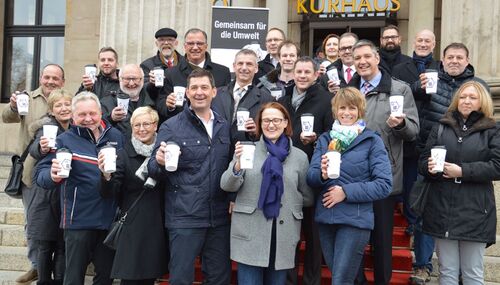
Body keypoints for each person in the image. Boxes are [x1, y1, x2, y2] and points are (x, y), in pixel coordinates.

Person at [148, 69, 232, 285]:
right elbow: (153, 170)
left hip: (218, 217)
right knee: (181, 278)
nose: (199, 92)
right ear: (186, 93)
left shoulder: (224, 126)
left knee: (218, 278)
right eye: (194, 88)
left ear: (214, 92)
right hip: (185, 216)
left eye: (204, 87)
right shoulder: (171, 126)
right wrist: (158, 162)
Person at [347, 40, 419, 285]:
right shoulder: (348, 91)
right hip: (353, 177)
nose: (362, 62)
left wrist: (400, 124)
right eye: (357, 58)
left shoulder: (400, 90)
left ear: (377, 58)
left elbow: (413, 132)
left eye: (367, 56)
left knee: (381, 241)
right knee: (353, 239)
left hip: (383, 177)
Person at [34, 92, 124, 285]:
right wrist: (52, 175)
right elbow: (40, 175)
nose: (88, 119)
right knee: (73, 277)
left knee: (106, 278)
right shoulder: (64, 140)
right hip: (78, 220)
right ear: (73, 117)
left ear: (101, 113)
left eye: (92, 113)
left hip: (109, 220)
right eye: (82, 115)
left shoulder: (116, 137)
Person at [220, 102, 314, 285]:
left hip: (283, 233)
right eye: (266, 120)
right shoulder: (248, 150)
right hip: (250, 231)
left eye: (277, 120)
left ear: (286, 123)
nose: (271, 125)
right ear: (260, 124)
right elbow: (227, 185)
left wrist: (285, 201)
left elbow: (308, 196)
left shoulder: (299, 157)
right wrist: (238, 165)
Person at [307, 87, 392, 284]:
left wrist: (345, 192)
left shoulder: (372, 141)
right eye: (342, 108)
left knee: (341, 279)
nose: (346, 113)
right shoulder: (325, 139)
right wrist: (322, 173)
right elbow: (311, 177)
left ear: (360, 111)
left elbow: (384, 184)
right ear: (335, 110)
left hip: (355, 219)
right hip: (326, 217)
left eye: (352, 108)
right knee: (342, 276)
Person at [418, 81, 500, 284]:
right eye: (463, 97)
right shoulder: (441, 127)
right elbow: (422, 162)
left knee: (472, 273)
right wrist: (430, 168)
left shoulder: (493, 129)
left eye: (472, 97)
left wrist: (462, 171)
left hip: (475, 211)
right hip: (442, 208)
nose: (466, 101)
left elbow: (497, 166)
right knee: (447, 272)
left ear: (482, 102)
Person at [2, 63, 65, 283]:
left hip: (59, 171)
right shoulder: (27, 98)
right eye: (47, 77)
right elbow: (7, 118)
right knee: (33, 220)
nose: (50, 81)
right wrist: (11, 106)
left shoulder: (66, 99)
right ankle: (36, 265)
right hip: (31, 169)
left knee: (57, 220)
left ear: (62, 82)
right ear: (40, 78)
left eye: (55, 78)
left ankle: (55, 265)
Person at [278, 56, 333, 285]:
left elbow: (333, 136)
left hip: (314, 172)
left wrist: (317, 139)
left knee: (313, 233)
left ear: (315, 74)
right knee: (289, 231)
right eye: (298, 72)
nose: (301, 76)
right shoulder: (284, 99)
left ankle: (311, 280)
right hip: (287, 172)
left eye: (306, 72)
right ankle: (288, 279)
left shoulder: (327, 100)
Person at [392, 29, 440, 284]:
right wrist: (415, 87)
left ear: (434, 44)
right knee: (410, 192)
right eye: (419, 40)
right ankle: (410, 222)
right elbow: (396, 96)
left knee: (427, 205)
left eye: (427, 41)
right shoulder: (401, 67)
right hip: (408, 142)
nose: (422, 44)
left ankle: (423, 262)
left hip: (433, 142)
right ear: (413, 43)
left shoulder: (440, 67)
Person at [100, 107, 167, 285]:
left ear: (155, 126)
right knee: (130, 279)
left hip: (158, 226)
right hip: (133, 228)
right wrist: (106, 176)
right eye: (136, 125)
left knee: (149, 279)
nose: (141, 129)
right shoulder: (123, 155)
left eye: (146, 124)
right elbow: (110, 192)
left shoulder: (164, 154)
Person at [27, 89, 73, 285]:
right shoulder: (45, 128)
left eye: (67, 104)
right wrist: (42, 147)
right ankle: (44, 281)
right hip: (46, 195)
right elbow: (34, 147)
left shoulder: (78, 128)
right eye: (58, 105)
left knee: (63, 245)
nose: (63, 108)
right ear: (52, 111)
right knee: (45, 245)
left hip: (67, 194)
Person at [152, 28, 231, 122]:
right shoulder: (170, 73)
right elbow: (160, 105)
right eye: (190, 44)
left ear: (206, 46)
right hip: (181, 128)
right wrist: (169, 105)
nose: (195, 47)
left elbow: (227, 105)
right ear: (185, 46)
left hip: (214, 128)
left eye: (199, 43)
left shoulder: (222, 72)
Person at [212, 49, 274, 147]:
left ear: (256, 68)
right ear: (234, 66)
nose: (244, 68)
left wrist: (256, 132)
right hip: (217, 154)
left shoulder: (267, 99)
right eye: (240, 63)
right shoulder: (216, 94)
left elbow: (272, 133)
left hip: (246, 154)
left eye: (249, 64)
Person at [101, 64, 156, 138]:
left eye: (135, 79)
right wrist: (111, 118)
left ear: (142, 79)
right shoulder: (107, 102)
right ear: (120, 79)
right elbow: (97, 125)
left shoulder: (153, 98)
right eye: (127, 79)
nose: (131, 83)